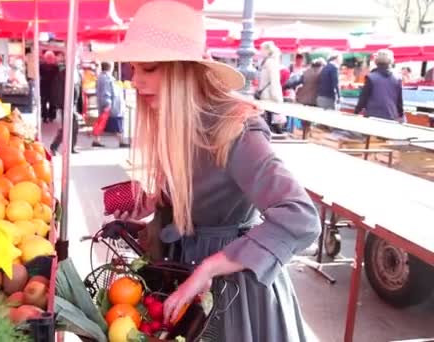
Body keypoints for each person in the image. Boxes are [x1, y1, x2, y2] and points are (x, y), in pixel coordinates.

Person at [97, 1, 320, 341]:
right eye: (133, 69)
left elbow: (301, 217)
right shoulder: (174, 123)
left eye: (150, 68)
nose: (136, 81)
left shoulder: (235, 129)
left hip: (235, 294)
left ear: (186, 71)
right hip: (184, 283)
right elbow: (199, 205)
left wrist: (210, 267)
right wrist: (151, 214)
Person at [355, 49, 404, 122]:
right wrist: (401, 114)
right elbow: (399, 100)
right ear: (391, 61)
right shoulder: (398, 78)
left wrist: (357, 110)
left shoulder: (371, 77)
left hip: (372, 114)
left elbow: (364, 97)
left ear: (376, 62)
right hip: (391, 115)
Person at [92, 61, 128, 148]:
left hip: (109, 106)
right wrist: (107, 104)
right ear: (110, 67)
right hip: (111, 107)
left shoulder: (102, 77)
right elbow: (106, 92)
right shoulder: (106, 78)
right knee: (115, 124)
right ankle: (121, 141)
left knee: (102, 123)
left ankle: (96, 140)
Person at [50, 67, 83, 155]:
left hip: (74, 105)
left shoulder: (78, 74)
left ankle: (71, 146)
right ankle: (54, 146)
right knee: (67, 127)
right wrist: (62, 104)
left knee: (74, 127)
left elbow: (79, 90)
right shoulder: (62, 74)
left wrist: (80, 108)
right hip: (66, 104)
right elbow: (57, 90)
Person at [258, 41, 286, 133]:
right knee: (270, 118)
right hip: (269, 94)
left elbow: (272, 80)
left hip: (267, 94)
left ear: (267, 50)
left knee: (268, 117)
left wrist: (275, 96)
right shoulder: (271, 62)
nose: (260, 51)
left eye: (262, 49)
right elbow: (274, 81)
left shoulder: (268, 62)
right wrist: (277, 97)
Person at [39, 50, 60, 123]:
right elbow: (58, 77)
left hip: (44, 86)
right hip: (53, 86)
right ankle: (51, 116)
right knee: (52, 102)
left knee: (44, 102)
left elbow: (40, 75)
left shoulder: (41, 66)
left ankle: (44, 117)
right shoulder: (56, 67)